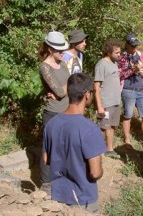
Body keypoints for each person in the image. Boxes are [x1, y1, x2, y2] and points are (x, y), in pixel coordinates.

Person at [42, 73, 106, 215]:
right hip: (83, 200)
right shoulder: (90, 129)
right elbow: (95, 173)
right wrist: (101, 169)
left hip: (58, 197)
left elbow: (46, 160)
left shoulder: (51, 124)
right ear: (87, 94)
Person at [38, 31, 70, 193]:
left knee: (63, 147)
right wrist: (63, 90)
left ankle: (59, 177)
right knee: (49, 147)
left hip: (66, 111)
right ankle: (45, 182)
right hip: (53, 113)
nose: (63, 53)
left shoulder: (62, 62)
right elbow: (61, 91)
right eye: (59, 50)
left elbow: (64, 87)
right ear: (50, 49)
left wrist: (62, 90)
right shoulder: (45, 67)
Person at [118, 33, 143, 149]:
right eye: (132, 45)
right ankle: (127, 139)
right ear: (127, 45)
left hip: (141, 90)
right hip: (128, 89)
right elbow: (120, 74)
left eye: (136, 45)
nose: (135, 48)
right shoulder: (122, 57)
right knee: (128, 115)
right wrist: (132, 70)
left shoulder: (141, 55)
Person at [94, 38, 123, 159]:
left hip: (116, 101)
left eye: (119, 52)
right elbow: (96, 86)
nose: (119, 55)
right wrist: (100, 105)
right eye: (117, 53)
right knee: (103, 126)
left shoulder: (114, 63)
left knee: (112, 126)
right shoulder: (101, 64)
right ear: (108, 51)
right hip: (106, 102)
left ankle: (109, 149)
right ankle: (95, 149)